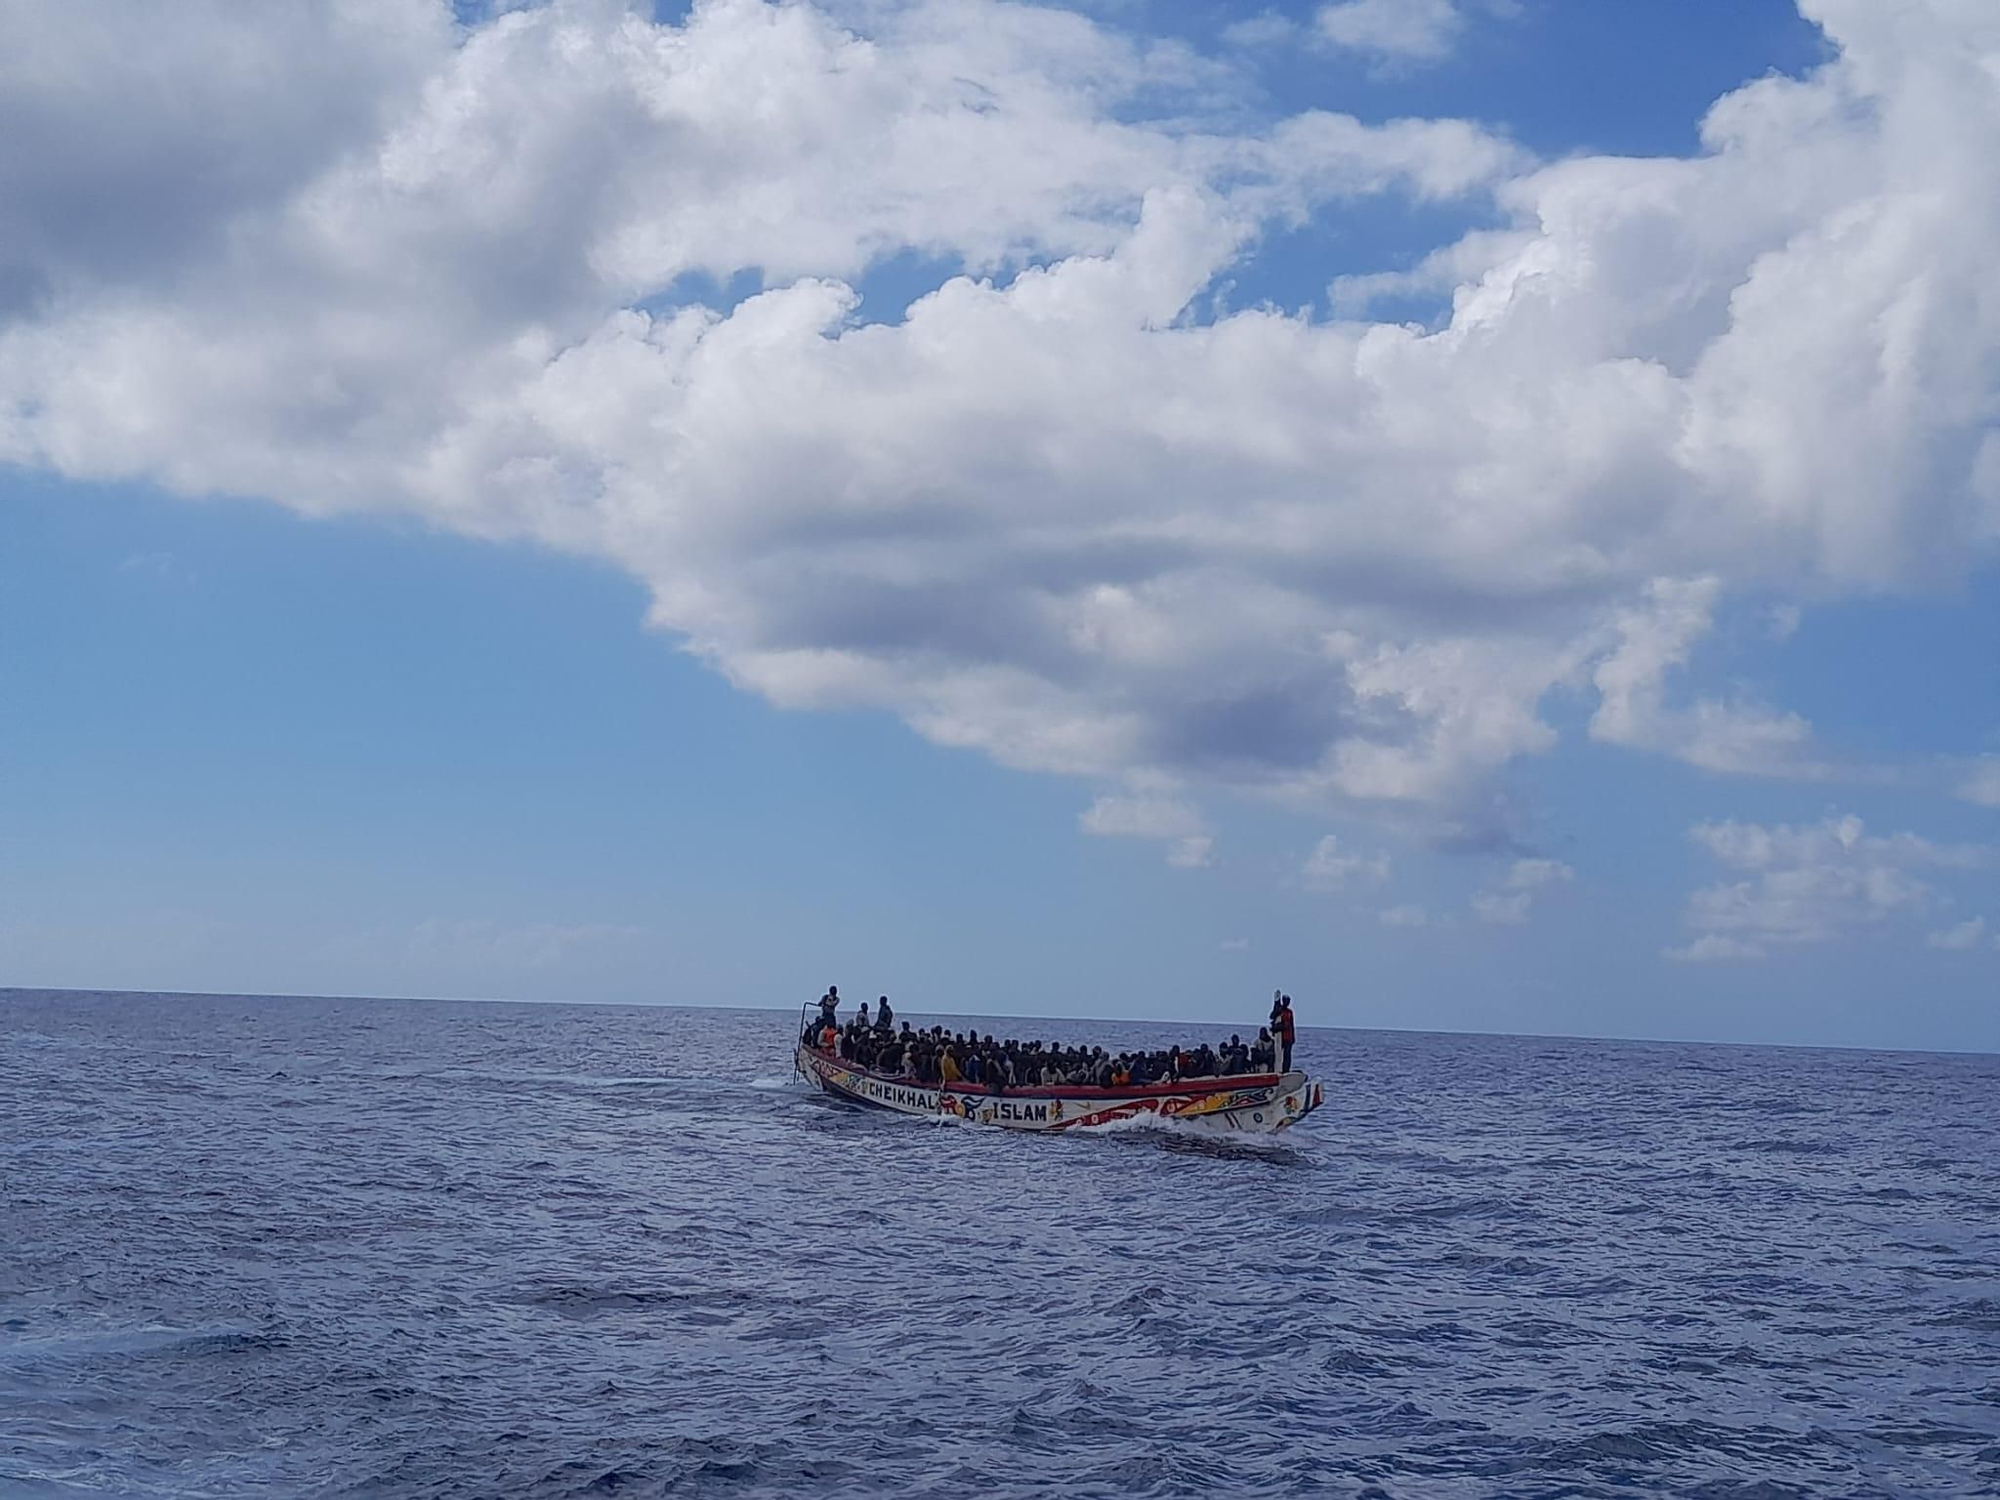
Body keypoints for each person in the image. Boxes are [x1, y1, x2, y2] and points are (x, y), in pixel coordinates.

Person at [1276, 994, 1297, 1072]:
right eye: (1286, 1001)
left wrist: (1293, 1037)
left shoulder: (1290, 1012)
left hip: (1288, 1036)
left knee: (1287, 1055)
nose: (1287, 1003)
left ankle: (1286, 1069)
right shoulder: (1279, 1010)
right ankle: (1278, 1068)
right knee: (1279, 1053)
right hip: (1280, 1037)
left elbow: (1292, 1024)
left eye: (1288, 1001)